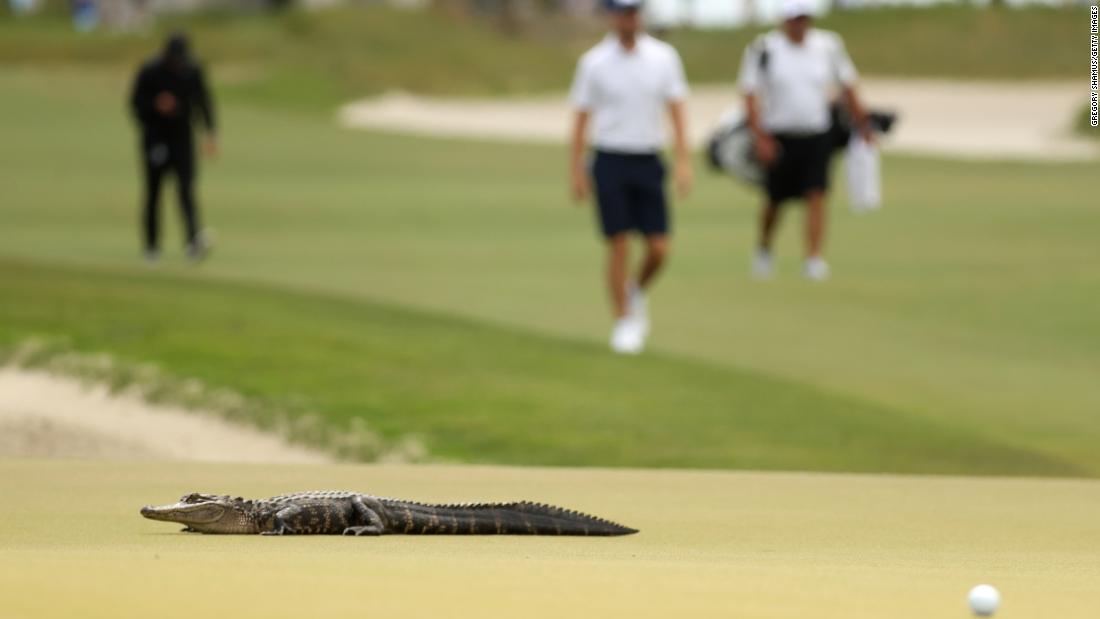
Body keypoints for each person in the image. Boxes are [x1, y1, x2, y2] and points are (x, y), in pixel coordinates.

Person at [569, 0, 692, 354]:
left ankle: (634, 290)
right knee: (618, 242)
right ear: (611, 16)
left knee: (659, 247)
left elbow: (677, 108)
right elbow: (580, 117)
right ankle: (623, 320)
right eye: (623, 12)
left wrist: (683, 160)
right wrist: (576, 169)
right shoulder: (593, 62)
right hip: (609, 158)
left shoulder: (663, 57)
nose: (630, 18)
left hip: (648, 157)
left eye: (635, 11)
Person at [737, 0, 872, 281]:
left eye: (803, 18)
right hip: (779, 136)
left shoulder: (828, 46)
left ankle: (813, 258)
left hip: (816, 133)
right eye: (794, 18)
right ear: (784, 20)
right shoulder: (764, 49)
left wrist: (863, 123)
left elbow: (848, 85)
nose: (799, 24)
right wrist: (759, 137)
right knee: (775, 202)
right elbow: (750, 94)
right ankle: (764, 250)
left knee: (817, 195)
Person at [129, 32, 216, 262]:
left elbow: (203, 102)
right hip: (156, 137)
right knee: (154, 193)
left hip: (182, 138)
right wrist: (156, 105)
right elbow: (135, 104)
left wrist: (210, 133)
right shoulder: (150, 71)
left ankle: (192, 242)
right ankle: (151, 247)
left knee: (186, 190)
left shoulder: (192, 71)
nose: (177, 63)